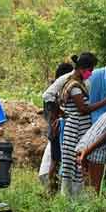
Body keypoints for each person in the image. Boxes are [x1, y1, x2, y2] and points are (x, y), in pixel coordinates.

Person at [59, 53, 106, 197]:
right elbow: (83, 109)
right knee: (71, 165)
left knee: (78, 164)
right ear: (81, 69)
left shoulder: (81, 84)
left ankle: (76, 198)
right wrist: (105, 101)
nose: (90, 73)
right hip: (74, 129)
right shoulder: (74, 86)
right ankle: (67, 198)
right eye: (89, 70)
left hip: (80, 129)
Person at [41, 62, 74, 192]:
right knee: (56, 161)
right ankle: (51, 190)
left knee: (57, 161)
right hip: (56, 129)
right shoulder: (54, 92)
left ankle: (53, 189)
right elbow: (52, 113)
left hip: (55, 129)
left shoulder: (55, 89)